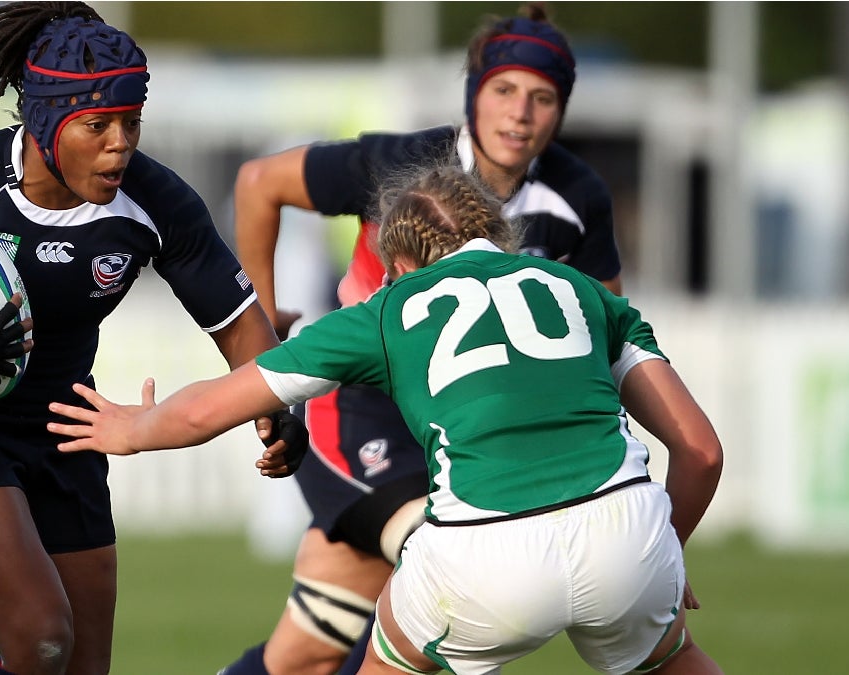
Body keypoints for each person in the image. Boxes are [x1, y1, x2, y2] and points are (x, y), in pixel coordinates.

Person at [47, 163, 723, 674]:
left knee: (387, 648)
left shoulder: (387, 310)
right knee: (671, 659)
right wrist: (668, 549)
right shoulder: (583, 291)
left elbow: (209, 409)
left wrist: (129, 429)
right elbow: (700, 451)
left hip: (484, 556)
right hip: (625, 533)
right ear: (499, 233)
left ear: (396, 264)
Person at [0, 3, 306, 675]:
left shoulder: (154, 202)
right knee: (41, 639)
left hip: (63, 429)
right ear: (46, 122)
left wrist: (276, 404)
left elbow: (239, 324)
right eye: (98, 125)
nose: (121, 143)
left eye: (131, 122)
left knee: (81, 667)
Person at [225, 4, 622, 674]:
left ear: (560, 111)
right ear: (474, 92)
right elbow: (257, 183)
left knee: (306, 652)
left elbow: (605, 336)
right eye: (504, 89)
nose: (520, 112)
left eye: (542, 97)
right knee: (447, 588)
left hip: (465, 435)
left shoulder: (576, 197)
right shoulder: (401, 162)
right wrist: (260, 324)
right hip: (358, 417)